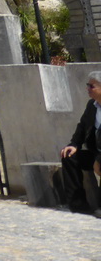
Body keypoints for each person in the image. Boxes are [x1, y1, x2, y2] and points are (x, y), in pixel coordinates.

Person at [54, 70, 101, 214]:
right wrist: (74, 144)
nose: (87, 89)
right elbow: (82, 126)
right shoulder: (92, 106)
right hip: (96, 153)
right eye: (87, 85)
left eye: (91, 86)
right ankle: (78, 205)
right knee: (70, 157)